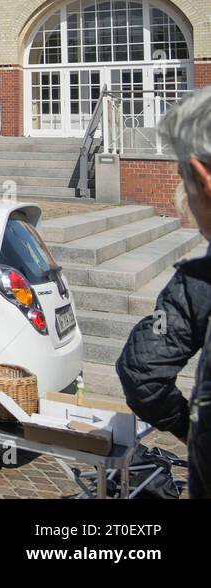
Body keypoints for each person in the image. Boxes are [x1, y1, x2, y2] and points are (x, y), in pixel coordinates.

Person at [116, 86, 211, 499]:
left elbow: (142, 374)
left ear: (203, 179)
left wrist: (191, 432)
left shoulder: (199, 284)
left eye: (182, 180)